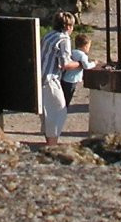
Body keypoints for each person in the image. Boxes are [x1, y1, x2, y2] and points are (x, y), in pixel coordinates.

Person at [39, 11, 75, 144]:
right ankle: (52, 144)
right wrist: (80, 64)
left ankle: (49, 141)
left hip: (40, 77)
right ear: (68, 26)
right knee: (58, 111)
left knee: (46, 113)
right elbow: (65, 63)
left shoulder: (48, 35)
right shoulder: (64, 39)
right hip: (50, 79)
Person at [63, 31, 92, 111]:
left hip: (65, 78)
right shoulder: (83, 56)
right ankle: (64, 110)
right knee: (68, 97)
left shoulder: (72, 52)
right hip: (72, 80)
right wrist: (94, 63)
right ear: (85, 46)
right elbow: (86, 66)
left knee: (64, 96)